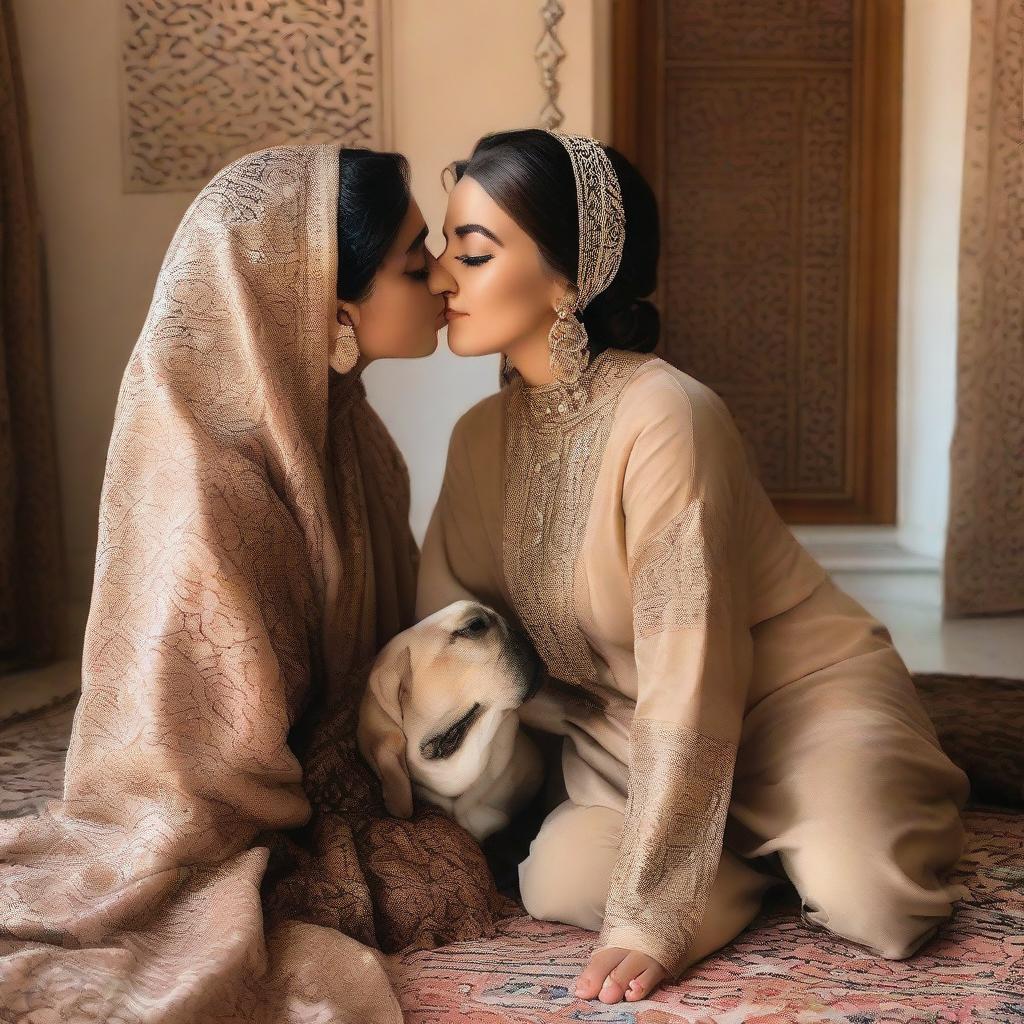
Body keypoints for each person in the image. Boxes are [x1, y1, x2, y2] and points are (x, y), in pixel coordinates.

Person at [414, 128, 971, 1005]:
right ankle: (741, 867)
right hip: (629, 738)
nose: (444, 275)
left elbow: (693, 660)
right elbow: (451, 635)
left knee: (881, 905)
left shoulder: (666, 413)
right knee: (555, 879)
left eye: (473, 251)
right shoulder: (477, 442)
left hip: (788, 705)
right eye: (446, 247)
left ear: (570, 279)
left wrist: (654, 917)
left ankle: (803, 834)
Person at [0, 140, 517, 1023]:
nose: (439, 277)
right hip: (217, 798)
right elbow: (199, 755)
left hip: (315, 754)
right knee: (432, 875)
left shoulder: (354, 437)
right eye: (411, 257)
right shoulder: (210, 477)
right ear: (330, 305)